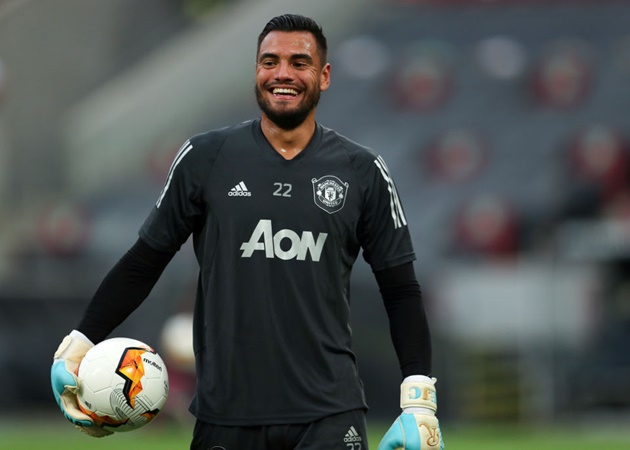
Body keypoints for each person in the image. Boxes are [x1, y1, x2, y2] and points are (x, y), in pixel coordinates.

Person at [50, 13, 444, 450]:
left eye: (299, 62)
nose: (282, 73)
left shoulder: (363, 170)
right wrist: (78, 343)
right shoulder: (205, 157)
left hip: (329, 415)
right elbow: (145, 261)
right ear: (256, 71)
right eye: (270, 61)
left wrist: (419, 401)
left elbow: (400, 289)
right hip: (226, 417)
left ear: (324, 76)